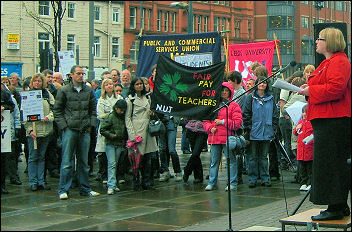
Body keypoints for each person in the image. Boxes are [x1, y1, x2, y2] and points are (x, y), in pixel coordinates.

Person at [298, 27, 351, 221]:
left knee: (331, 163)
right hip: (327, 118)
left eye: (319, 39)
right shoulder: (329, 63)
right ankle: (339, 205)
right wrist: (308, 89)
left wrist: (310, 91)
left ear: (329, 42)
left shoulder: (339, 62)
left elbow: (336, 89)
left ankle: (335, 206)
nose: (316, 42)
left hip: (334, 119)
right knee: (330, 162)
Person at [54, 65, 100, 200]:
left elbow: (93, 110)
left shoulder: (89, 90)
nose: (81, 76)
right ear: (71, 75)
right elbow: (57, 110)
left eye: (82, 73)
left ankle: (85, 188)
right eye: (78, 73)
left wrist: (91, 125)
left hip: (85, 129)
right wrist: (64, 126)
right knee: (67, 161)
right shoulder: (63, 90)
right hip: (70, 129)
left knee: (84, 162)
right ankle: (63, 189)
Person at [203, 82, 243, 191]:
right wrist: (210, 127)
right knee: (214, 161)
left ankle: (232, 183)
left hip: (228, 138)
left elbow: (237, 123)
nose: (224, 92)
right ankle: (212, 182)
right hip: (215, 137)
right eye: (222, 90)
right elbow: (206, 120)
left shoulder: (234, 105)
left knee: (230, 162)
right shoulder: (213, 105)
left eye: (226, 91)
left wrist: (223, 121)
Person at [243, 76, 279, 188]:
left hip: (267, 131)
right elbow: (246, 114)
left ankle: (265, 178)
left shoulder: (271, 98)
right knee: (253, 157)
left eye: (264, 83)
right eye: (260, 83)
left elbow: (275, 114)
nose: (262, 85)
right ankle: (252, 179)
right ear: (256, 84)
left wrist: (273, 127)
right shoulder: (250, 98)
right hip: (254, 132)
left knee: (264, 157)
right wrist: (248, 128)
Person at [125, 77, 158, 191]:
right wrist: (132, 135)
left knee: (148, 158)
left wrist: (151, 113)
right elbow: (128, 118)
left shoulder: (147, 97)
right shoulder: (130, 100)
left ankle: (147, 181)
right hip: (137, 130)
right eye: (137, 84)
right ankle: (136, 181)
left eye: (141, 84)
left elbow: (153, 112)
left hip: (148, 130)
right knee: (137, 159)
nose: (139, 86)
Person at [24, 73, 55, 191]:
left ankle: (41, 180)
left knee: (42, 156)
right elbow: (24, 115)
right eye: (35, 81)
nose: (37, 83)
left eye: (39, 81)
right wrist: (30, 130)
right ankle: (33, 181)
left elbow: (55, 109)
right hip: (33, 132)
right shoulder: (28, 95)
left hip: (46, 130)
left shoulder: (47, 95)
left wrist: (48, 117)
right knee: (33, 157)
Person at [95, 79, 123, 183]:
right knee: (103, 153)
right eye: (106, 85)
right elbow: (100, 115)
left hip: (117, 127)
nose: (109, 86)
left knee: (116, 155)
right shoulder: (101, 100)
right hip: (105, 128)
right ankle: (104, 175)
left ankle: (117, 175)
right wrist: (112, 114)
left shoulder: (119, 98)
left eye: (111, 84)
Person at [100, 99, 128, 195]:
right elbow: (102, 129)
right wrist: (112, 135)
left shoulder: (120, 117)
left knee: (114, 164)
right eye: (121, 110)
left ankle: (112, 183)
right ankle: (111, 185)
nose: (122, 112)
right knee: (112, 163)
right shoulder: (111, 117)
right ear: (116, 108)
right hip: (111, 143)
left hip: (119, 143)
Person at [292, 105, 313, 192]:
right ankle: (303, 182)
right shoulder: (300, 122)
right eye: (303, 112)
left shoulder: (312, 123)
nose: (304, 114)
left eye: (306, 112)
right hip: (301, 151)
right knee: (302, 169)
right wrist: (297, 128)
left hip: (309, 151)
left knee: (310, 169)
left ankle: (310, 183)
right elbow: (296, 133)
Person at [1, 82, 16, 194]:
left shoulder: (4, 93)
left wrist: (4, 107)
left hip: (3, 132)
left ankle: (2, 185)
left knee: (2, 160)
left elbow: (11, 106)